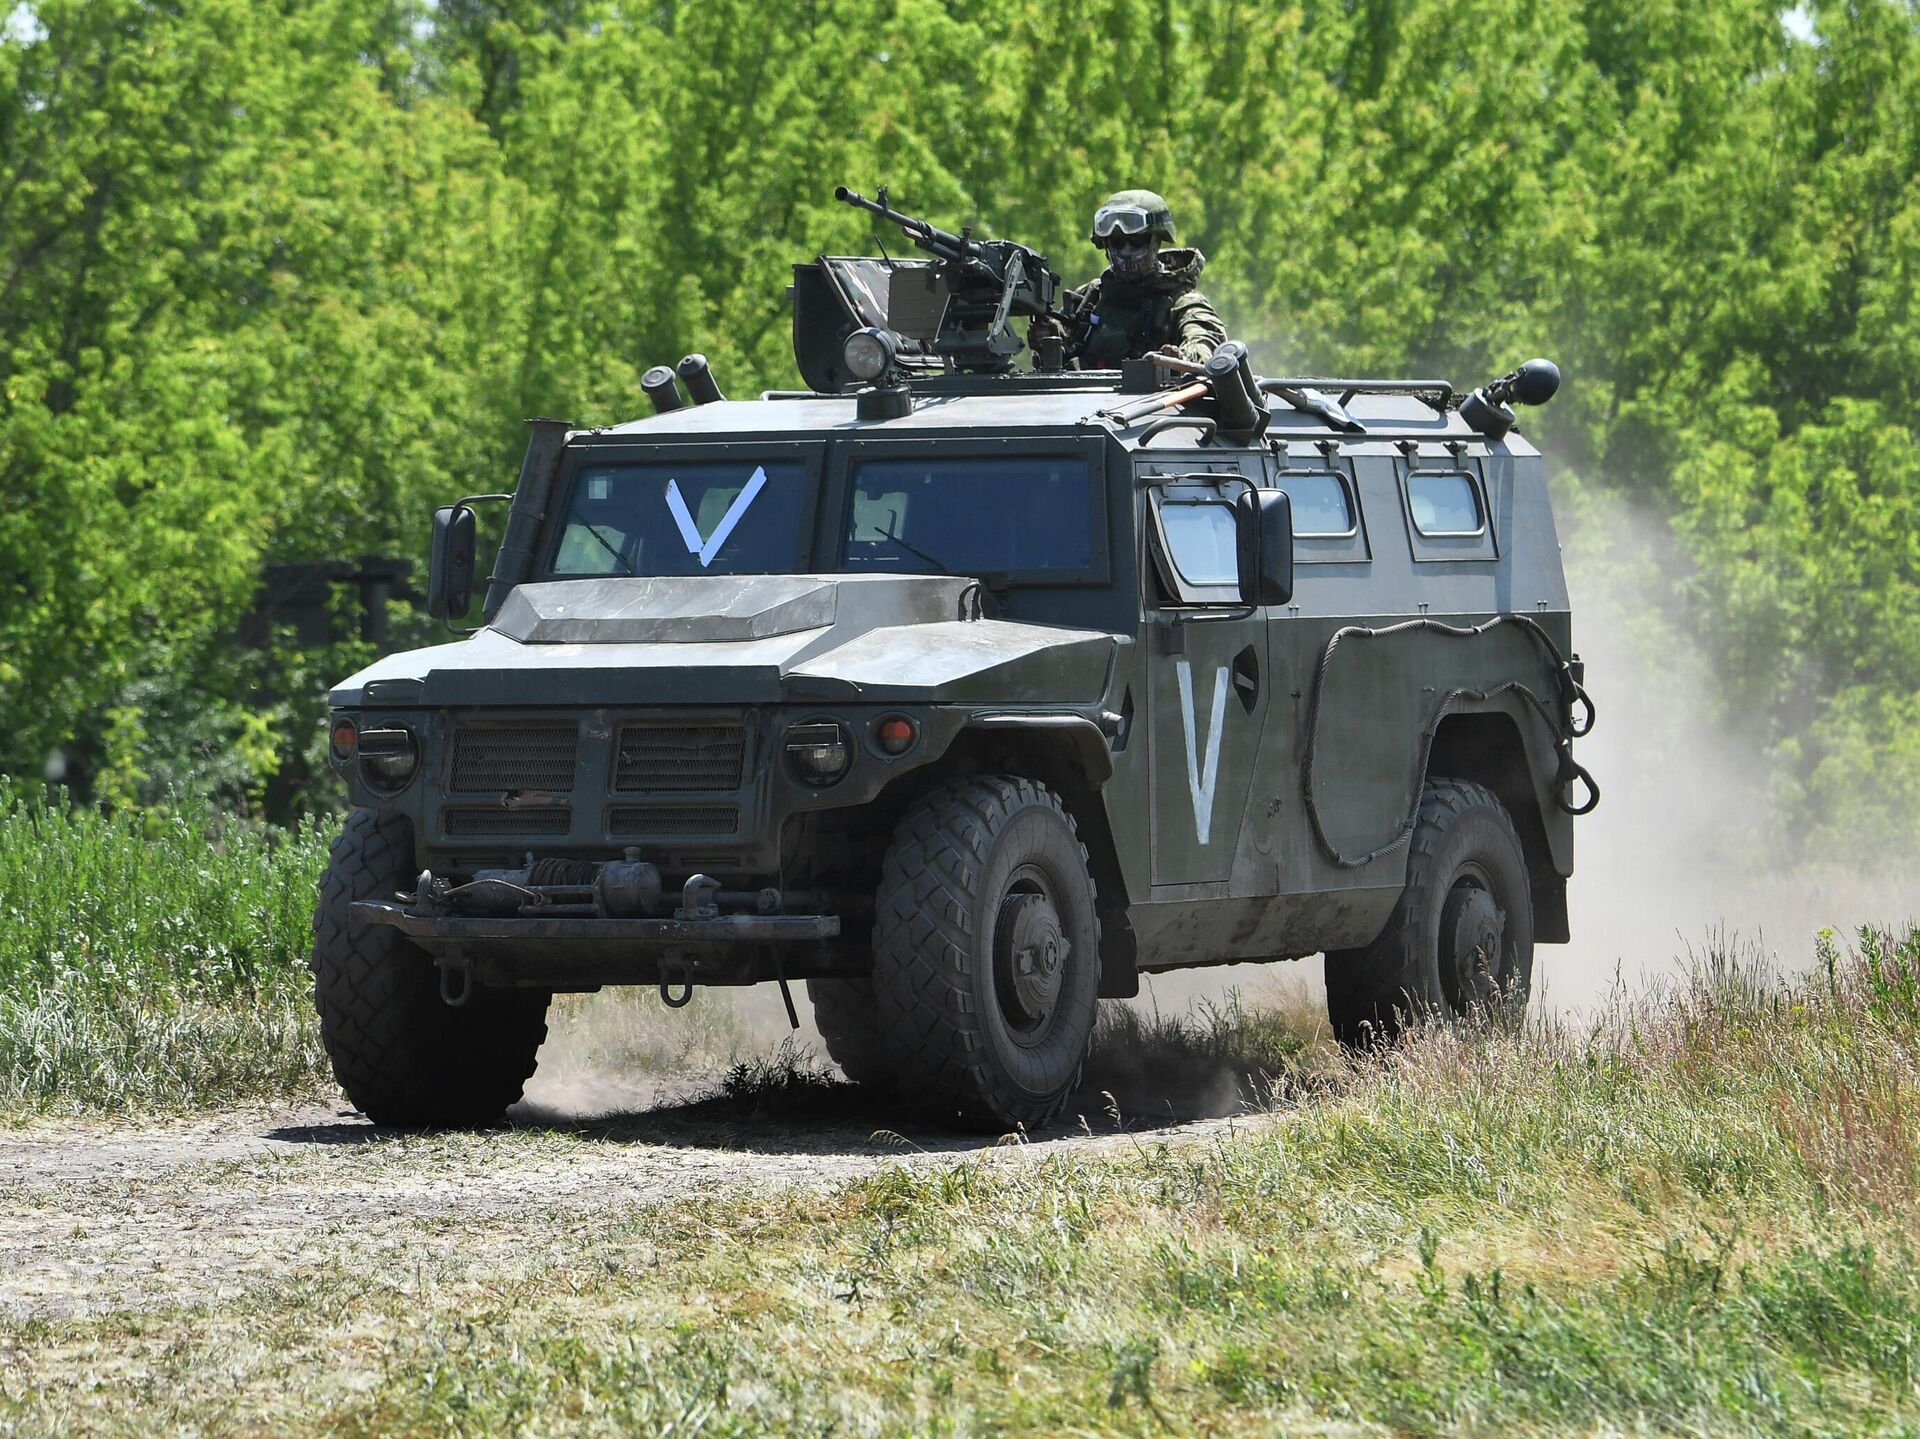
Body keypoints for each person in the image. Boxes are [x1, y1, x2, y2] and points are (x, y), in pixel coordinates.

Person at [1049, 190, 1227, 368]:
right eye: (1117, 242)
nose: (1126, 251)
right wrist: (1047, 337)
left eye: (1137, 241)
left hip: (1162, 387)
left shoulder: (1182, 302)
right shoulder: (1091, 297)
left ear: (1156, 241)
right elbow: (1057, 343)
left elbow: (1205, 341)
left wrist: (1182, 359)